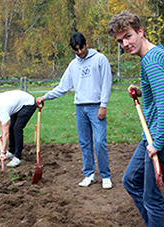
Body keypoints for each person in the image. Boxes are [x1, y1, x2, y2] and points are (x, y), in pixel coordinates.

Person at [108, 10, 164, 226]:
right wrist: (143, 91)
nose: (125, 44)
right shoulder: (156, 54)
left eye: (128, 36)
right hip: (156, 133)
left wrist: (158, 142)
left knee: (152, 197)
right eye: (120, 41)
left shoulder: (151, 60)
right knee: (131, 181)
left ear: (140, 32)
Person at [36, 32, 113, 189]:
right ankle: (89, 174)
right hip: (80, 107)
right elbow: (63, 87)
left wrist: (103, 105)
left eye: (81, 48)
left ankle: (105, 175)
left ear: (86, 44)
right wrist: (45, 97)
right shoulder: (73, 65)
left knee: (99, 142)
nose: (80, 52)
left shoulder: (99, 59)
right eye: (76, 50)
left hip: (96, 106)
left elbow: (107, 83)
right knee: (84, 143)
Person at [0, 90, 36, 167]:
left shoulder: (2, 107)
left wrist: (3, 152)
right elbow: (0, 120)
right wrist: (1, 134)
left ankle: (17, 157)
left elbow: (6, 133)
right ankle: (11, 151)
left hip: (28, 103)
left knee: (17, 128)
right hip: (17, 104)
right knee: (11, 127)